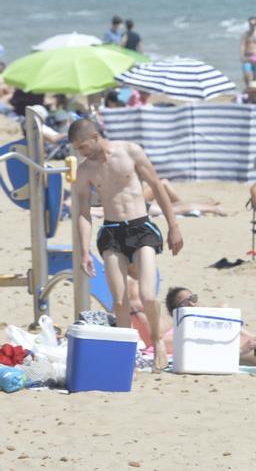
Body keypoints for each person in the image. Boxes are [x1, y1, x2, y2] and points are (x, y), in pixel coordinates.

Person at [69, 119, 183, 366]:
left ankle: (157, 341)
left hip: (141, 227)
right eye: (77, 149)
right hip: (111, 231)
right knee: (119, 300)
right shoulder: (86, 170)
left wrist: (173, 225)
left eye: (82, 146)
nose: (81, 152)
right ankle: (126, 356)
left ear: (95, 136)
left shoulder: (130, 151)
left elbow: (157, 186)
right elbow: (83, 212)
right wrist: (84, 250)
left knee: (147, 296)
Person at [241, 16, 256, 86]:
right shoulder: (246, 34)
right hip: (247, 56)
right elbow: (242, 45)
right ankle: (247, 86)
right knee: (247, 73)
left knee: (255, 74)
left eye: (254, 24)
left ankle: (254, 89)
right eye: (251, 24)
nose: (252, 25)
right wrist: (242, 56)